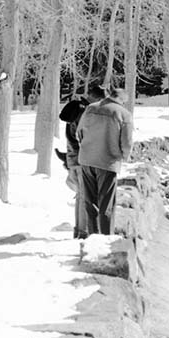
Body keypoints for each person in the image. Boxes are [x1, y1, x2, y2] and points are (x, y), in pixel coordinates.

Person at [76, 83, 133, 236]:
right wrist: (124, 156)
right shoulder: (124, 114)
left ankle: (93, 238)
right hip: (107, 161)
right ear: (121, 99)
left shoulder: (91, 108)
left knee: (90, 202)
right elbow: (126, 142)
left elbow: (79, 131)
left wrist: (85, 147)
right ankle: (106, 240)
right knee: (106, 204)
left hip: (87, 159)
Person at [58, 93, 90, 238]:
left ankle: (79, 229)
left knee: (80, 196)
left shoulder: (73, 115)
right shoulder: (83, 114)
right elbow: (82, 139)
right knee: (85, 197)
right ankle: (83, 231)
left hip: (73, 159)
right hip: (81, 160)